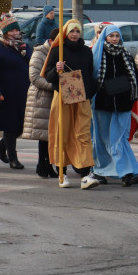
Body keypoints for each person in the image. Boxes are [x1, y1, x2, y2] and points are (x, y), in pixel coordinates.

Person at [85, 24, 138, 188]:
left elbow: (134, 79)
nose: (115, 39)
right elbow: (92, 77)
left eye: (117, 36)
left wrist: (132, 96)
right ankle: (100, 170)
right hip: (102, 103)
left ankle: (126, 172)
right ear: (105, 37)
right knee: (101, 138)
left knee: (118, 139)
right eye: (111, 36)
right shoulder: (97, 54)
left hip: (123, 103)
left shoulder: (125, 55)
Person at [43, 20, 97, 188]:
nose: (74, 34)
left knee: (83, 134)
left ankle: (85, 174)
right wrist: (56, 68)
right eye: (71, 31)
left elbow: (90, 74)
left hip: (82, 99)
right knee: (62, 133)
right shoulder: (58, 51)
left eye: (77, 31)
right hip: (62, 98)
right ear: (66, 33)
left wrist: (89, 92)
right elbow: (48, 77)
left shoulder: (87, 52)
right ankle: (62, 173)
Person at [0, 11, 31, 169]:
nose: (15, 33)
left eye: (16, 30)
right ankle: (13, 158)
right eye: (11, 31)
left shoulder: (24, 47)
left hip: (23, 94)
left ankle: (1, 145)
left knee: (22, 126)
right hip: (7, 95)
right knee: (11, 127)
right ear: (5, 33)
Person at [22, 26, 58, 179]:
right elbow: (35, 78)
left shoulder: (58, 53)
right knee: (44, 135)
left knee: (51, 135)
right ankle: (42, 165)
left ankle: (47, 164)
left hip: (53, 97)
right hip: (42, 97)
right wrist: (54, 87)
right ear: (51, 41)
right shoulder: (39, 53)